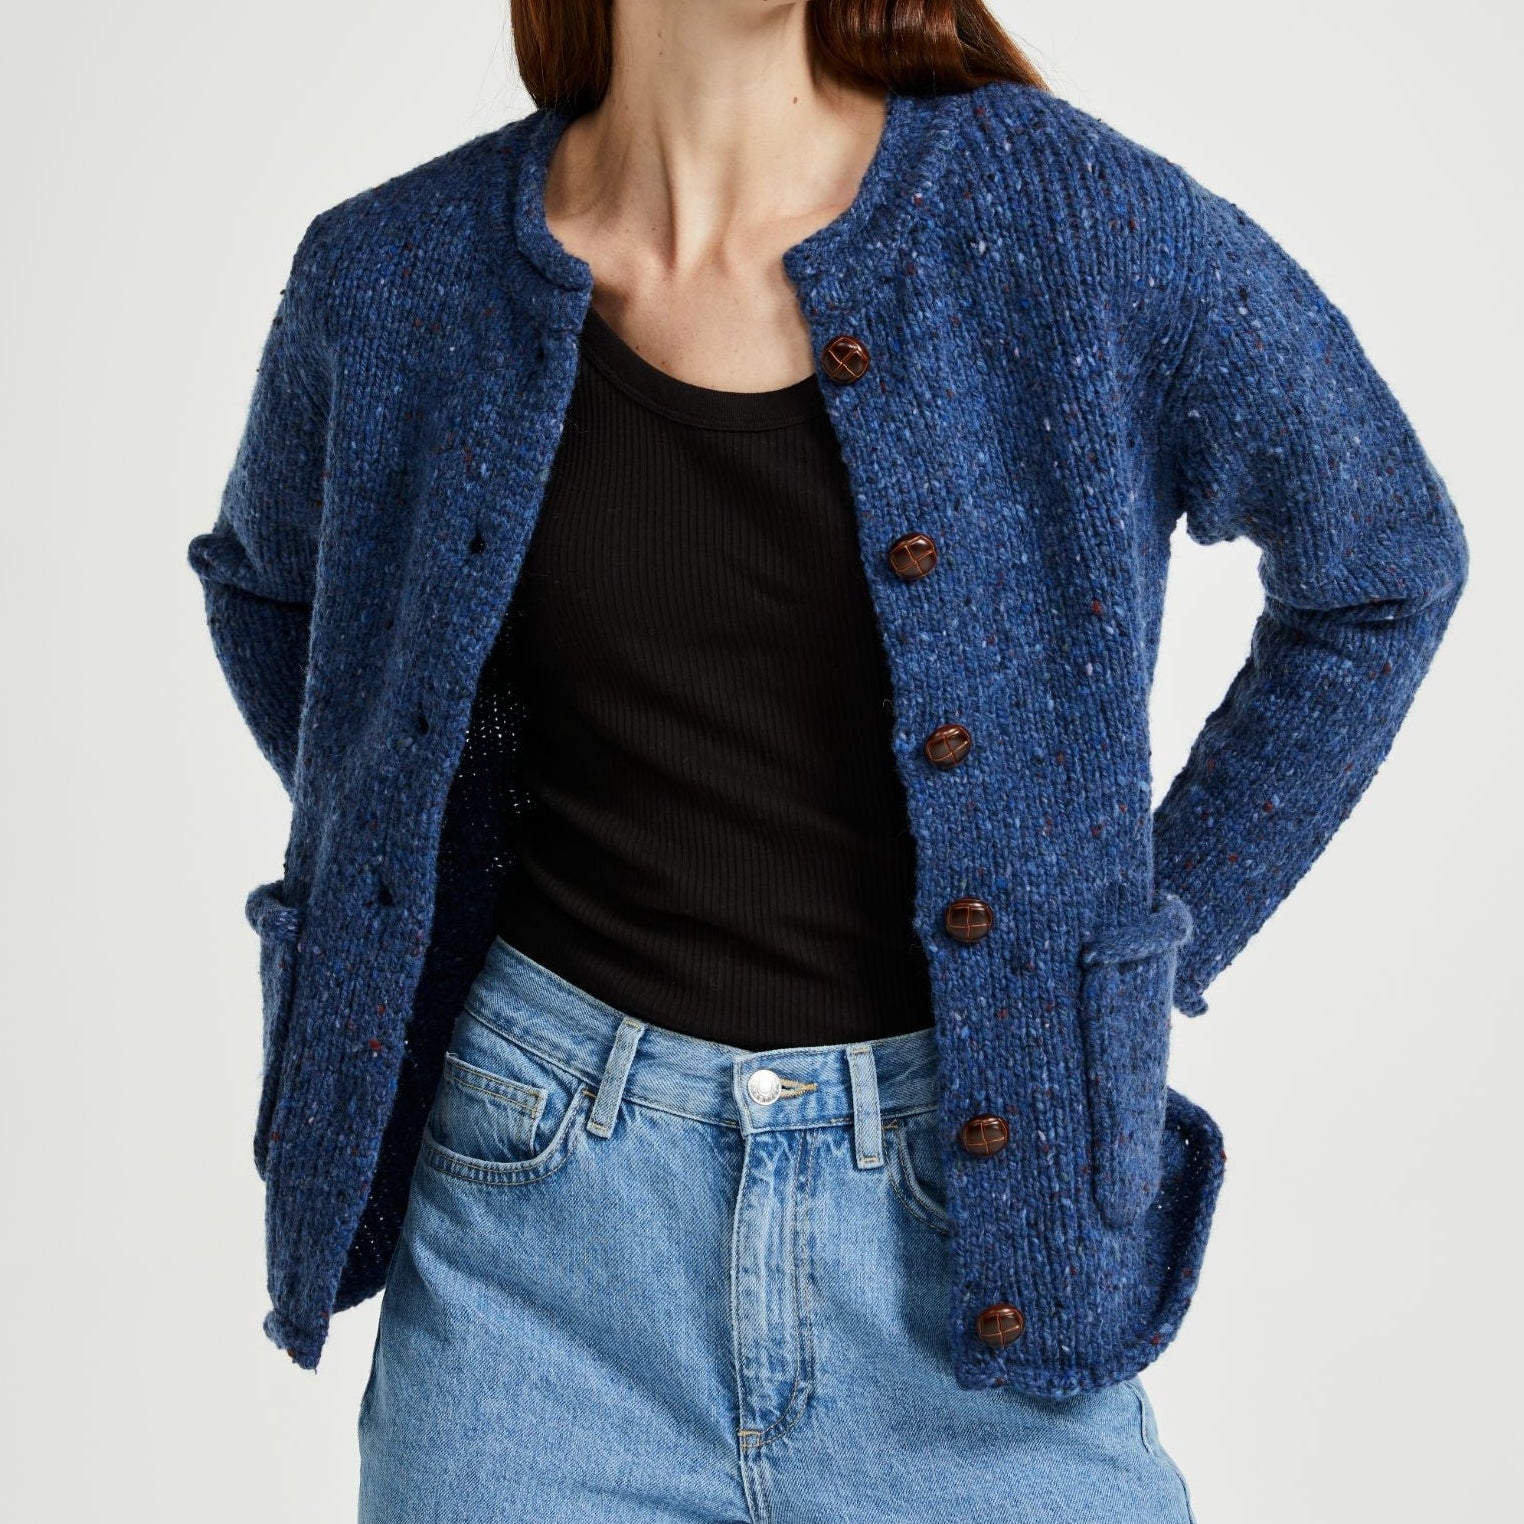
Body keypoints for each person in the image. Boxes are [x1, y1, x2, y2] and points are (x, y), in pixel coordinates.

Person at [186, 2, 1469, 1520]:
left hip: (972, 1247)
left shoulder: (1069, 221)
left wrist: (1133, 937)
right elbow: (270, 588)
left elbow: (1382, 563)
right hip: (536, 1253)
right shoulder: (393, 275)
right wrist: (430, 848)